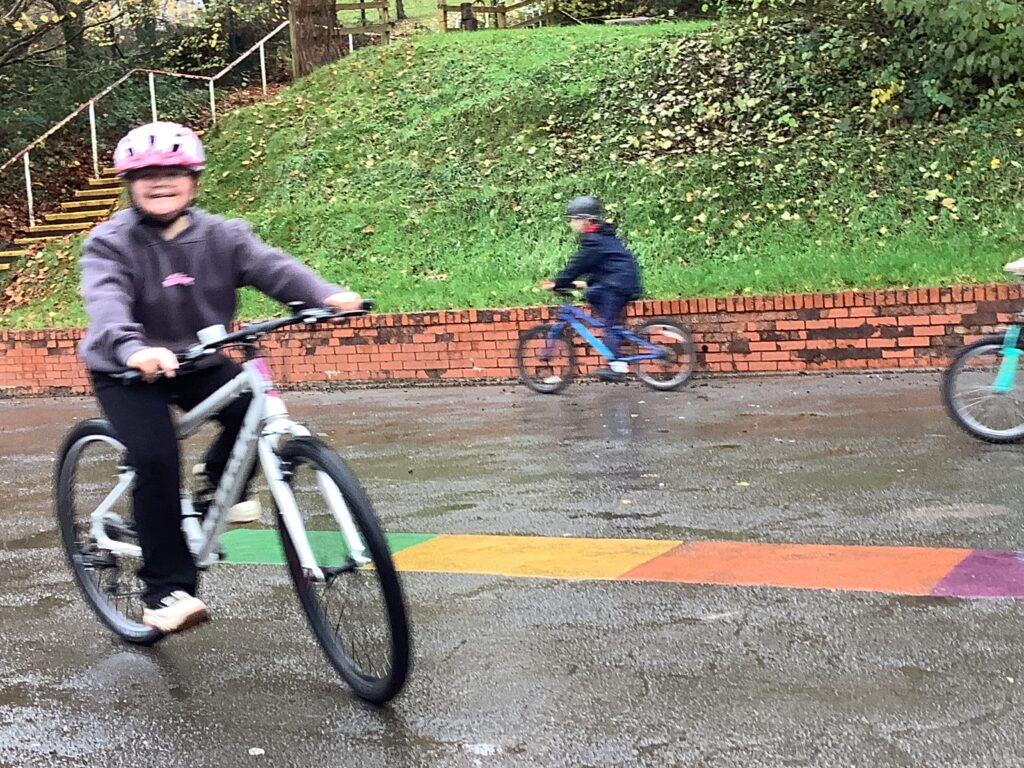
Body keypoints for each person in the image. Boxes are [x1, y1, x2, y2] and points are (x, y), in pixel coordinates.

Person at [78, 121, 362, 634]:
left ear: (194, 181)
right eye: (146, 175)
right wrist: (134, 348)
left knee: (252, 409)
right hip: (128, 369)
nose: (161, 183)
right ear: (129, 185)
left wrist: (324, 295)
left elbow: (274, 268)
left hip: (198, 359)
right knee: (157, 458)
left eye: (173, 172)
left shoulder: (222, 235)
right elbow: (107, 301)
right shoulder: (110, 243)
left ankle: (214, 491)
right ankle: (165, 592)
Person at [541, 195, 643, 381]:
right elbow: (605, 265)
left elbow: (579, 265)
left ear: (586, 220)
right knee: (595, 297)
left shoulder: (594, 240)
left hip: (617, 285)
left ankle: (617, 367)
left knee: (608, 324)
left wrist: (559, 282)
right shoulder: (603, 237)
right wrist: (587, 283)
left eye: (574, 219)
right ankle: (616, 343)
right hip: (619, 281)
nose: (571, 223)